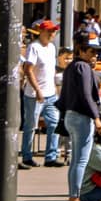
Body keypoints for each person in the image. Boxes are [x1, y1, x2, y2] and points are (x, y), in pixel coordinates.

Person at [61, 35, 101, 198]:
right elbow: (86, 95)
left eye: (97, 52)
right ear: (81, 50)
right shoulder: (83, 67)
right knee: (81, 161)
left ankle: (74, 195)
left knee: (76, 160)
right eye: (91, 51)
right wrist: (96, 118)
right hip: (82, 117)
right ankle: (75, 197)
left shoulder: (72, 67)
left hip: (71, 115)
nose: (95, 55)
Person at [20, 21, 63, 168]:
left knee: (54, 124)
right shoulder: (34, 47)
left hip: (50, 93)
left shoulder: (51, 47)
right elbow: (28, 69)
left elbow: (51, 71)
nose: (52, 34)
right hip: (34, 94)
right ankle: (26, 156)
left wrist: (55, 89)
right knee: (31, 125)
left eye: (54, 31)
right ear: (41, 32)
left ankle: (50, 157)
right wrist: (37, 90)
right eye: (49, 31)